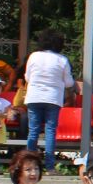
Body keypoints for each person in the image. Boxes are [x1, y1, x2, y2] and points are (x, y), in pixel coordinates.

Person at [19, 29, 74, 171]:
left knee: (33, 131)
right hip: (53, 98)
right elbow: (69, 83)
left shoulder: (33, 56)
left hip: (34, 96)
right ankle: (50, 167)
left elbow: (27, 77)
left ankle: (29, 165)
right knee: (50, 131)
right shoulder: (62, 59)